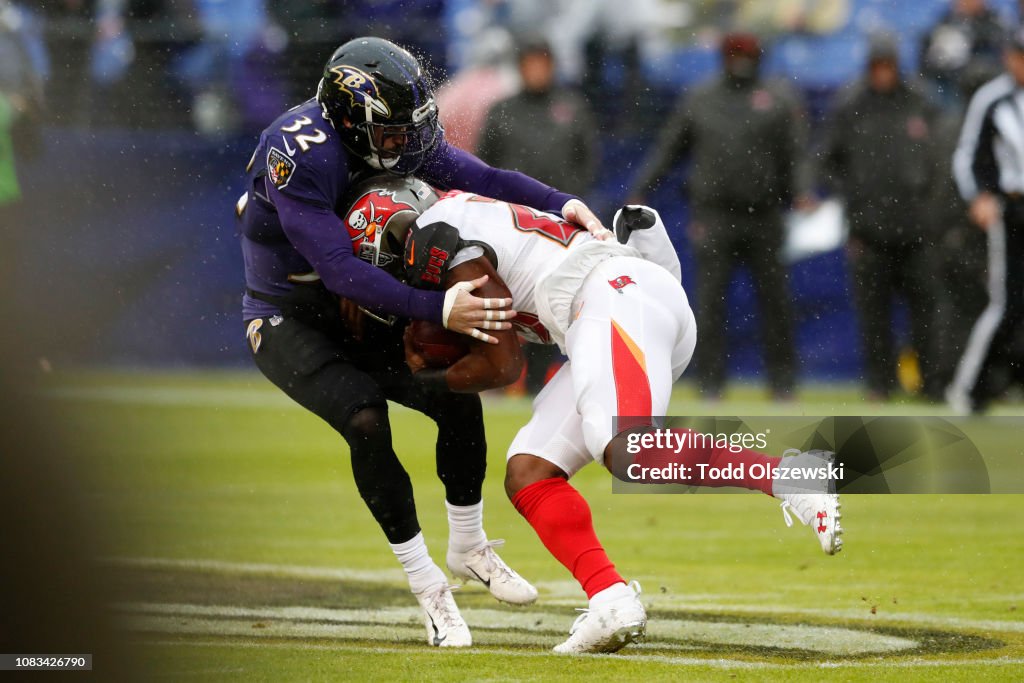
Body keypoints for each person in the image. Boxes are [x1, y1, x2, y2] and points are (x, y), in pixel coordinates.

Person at [358, 182, 842, 654]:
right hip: (618, 306)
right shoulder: (461, 210)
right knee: (530, 472)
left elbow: (504, 365)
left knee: (629, 450)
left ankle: (792, 475)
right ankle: (610, 599)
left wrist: (420, 381)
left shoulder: (438, 237)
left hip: (612, 301)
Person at [238, 36, 611, 648]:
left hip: (361, 308)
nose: (404, 143)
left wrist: (563, 203)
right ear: (351, 117)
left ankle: (469, 543)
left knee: (455, 395)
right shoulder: (298, 151)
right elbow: (337, 267)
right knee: (364, 419)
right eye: (390, 132)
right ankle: (429, 588)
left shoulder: (392, 133)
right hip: (290, 318)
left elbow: (484, 177)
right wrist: (437, 306)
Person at [629, 32, 806, 400]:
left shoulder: (777, 98)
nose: (741, 59)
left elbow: (795, 153)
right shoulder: (701, 98)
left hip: (765, 216)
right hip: (714, 216)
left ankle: (783, 381)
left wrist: (801, 191)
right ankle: (710, 381)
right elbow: (670, 147)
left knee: (776, 303)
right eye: (735, 53)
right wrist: (642, 187)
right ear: (724, 56)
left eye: (748, 52)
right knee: (709, 304)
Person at [815, 33, 942, 401]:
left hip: (917, 229)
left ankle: (931, 385)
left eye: (888, 66)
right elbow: (825, 160)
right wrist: (851, 194)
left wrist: (927, 199)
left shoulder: (920, 102)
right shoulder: (850, 104)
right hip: (868, 230)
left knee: (926, 313)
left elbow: (940, 157)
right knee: (874, 316)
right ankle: (880, 384)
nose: (883, 74)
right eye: (877, 67)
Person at [478, 34, 599, 393]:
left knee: (552, 302)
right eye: (530, 63)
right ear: (520, 67)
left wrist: (568, 198)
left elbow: (588, 159)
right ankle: (499, 377)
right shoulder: (501, 110)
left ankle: (536, 384)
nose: (536, 70)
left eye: (542, 62)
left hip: (559, 227)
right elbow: (484, 166)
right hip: (510, 225)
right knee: (502, 299)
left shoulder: (572, 107)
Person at [948, 26, 1024, 414]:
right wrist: (978, 195)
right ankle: (970, 387)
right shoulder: (992, 99)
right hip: (1013, 208)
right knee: (1007, 304)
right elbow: (967, 156)